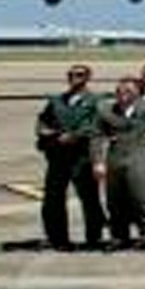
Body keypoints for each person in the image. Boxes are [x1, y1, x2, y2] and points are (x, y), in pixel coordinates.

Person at [36, 64, 106, 252]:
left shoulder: (95, 101)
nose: (75, 77)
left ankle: (94, 237)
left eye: (80, 74)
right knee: (53, 199)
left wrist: (75, 135)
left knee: (90, 199)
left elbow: (97, 126)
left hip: (81, 157)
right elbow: (43, 119)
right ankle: (58, 238)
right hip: (58, 157)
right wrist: (45, 132)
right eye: (72, 74)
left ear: (88, 77)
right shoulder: (57, 100)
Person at [93, 77, 145, 250]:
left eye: (128, 91)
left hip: (138, 155)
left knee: (141, 199)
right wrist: (98, 161)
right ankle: (119, 237)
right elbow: (96, 136)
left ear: (137, 92)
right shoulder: (107, 111)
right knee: (115, 200)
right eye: (119, 91)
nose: (123, 94)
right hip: (114, 157)